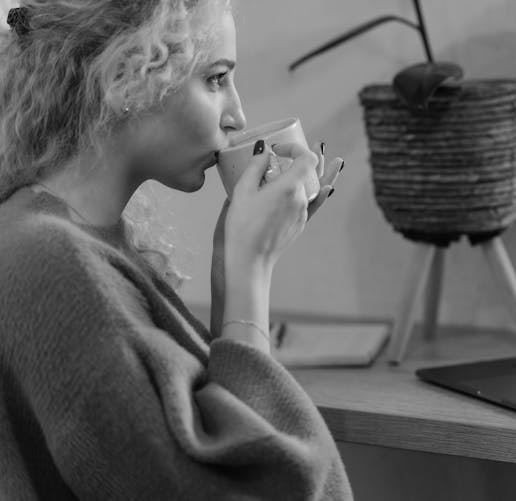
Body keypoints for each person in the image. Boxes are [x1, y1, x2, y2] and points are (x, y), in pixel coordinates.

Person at [0, 1, 351, 500]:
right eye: (215, 79)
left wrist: (232, 261)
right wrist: (253, 268)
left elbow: (209, 425)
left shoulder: (76, 239)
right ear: (127, 76)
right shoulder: (51, 262)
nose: (238, 115)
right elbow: (250, 488)